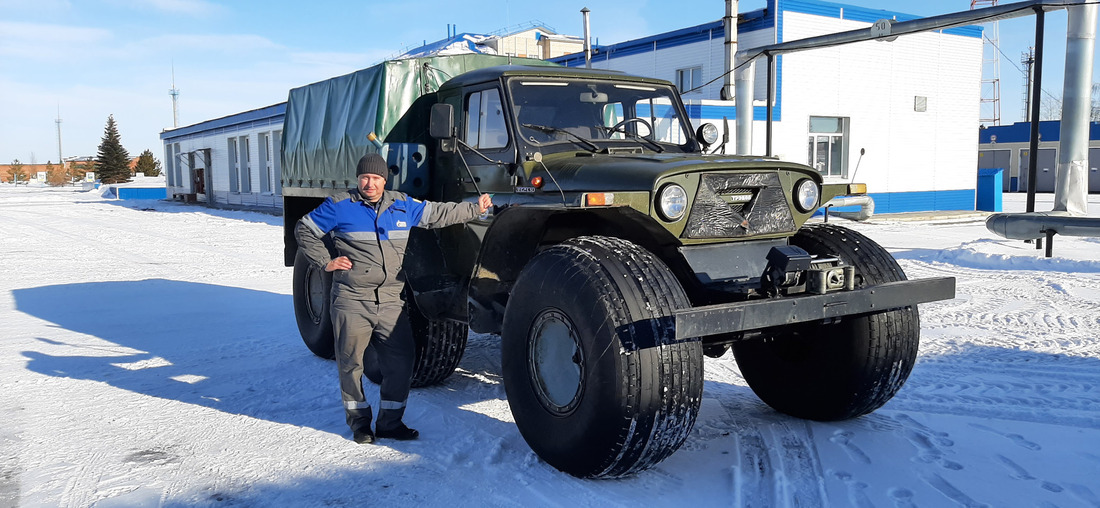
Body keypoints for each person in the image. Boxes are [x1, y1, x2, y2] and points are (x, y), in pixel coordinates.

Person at [295, 153, 492, 444]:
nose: (369, 183)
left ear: (385, 180)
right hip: (352, 299)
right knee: (351, 364)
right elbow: (304, 229)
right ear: (358, 179)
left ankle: (390, 422)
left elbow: (438, 213)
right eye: (364, 177)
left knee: (402, 361)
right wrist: (326, 261)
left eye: (375, 178)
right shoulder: (339, 206)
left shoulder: (402, 205)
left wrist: (475, 209)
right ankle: (360, 423)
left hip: (390, 300)